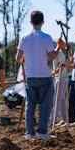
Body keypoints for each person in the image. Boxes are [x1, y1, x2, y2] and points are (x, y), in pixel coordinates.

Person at [16, 10, 63, 139]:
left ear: (31, 22)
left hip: (30, 76)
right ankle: (41, 131)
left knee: (30, 105)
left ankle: (29, 132)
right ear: (42, 22)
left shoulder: (24, 38)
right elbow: (52, 56)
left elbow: (18, 59)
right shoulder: (46, 37)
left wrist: (26, 58)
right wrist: (58, 47)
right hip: (44, 75)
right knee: (45, 105)